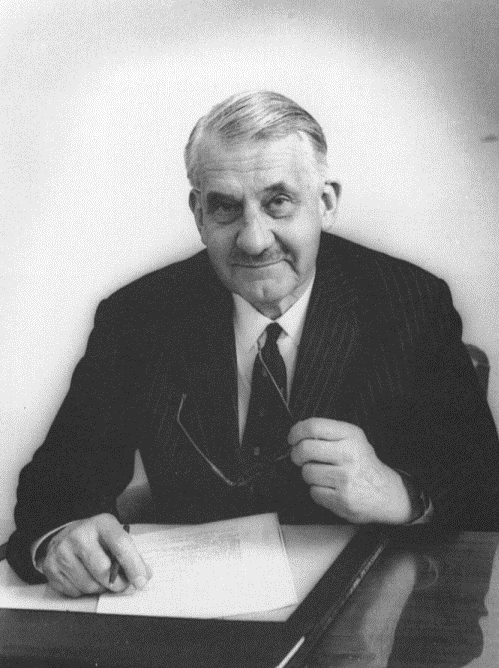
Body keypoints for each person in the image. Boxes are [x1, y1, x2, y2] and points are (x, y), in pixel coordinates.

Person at [7, 91, 499, 598]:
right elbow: (55, 486)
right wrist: (61, 539)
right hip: (192, 609)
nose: (254, 240)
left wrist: (400, 495)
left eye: (278, 202)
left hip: (366, 602)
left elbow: (484, 485)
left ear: (326, 203)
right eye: (225, 207)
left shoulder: (409, 304)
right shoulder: (138, 317)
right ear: (199, 214)